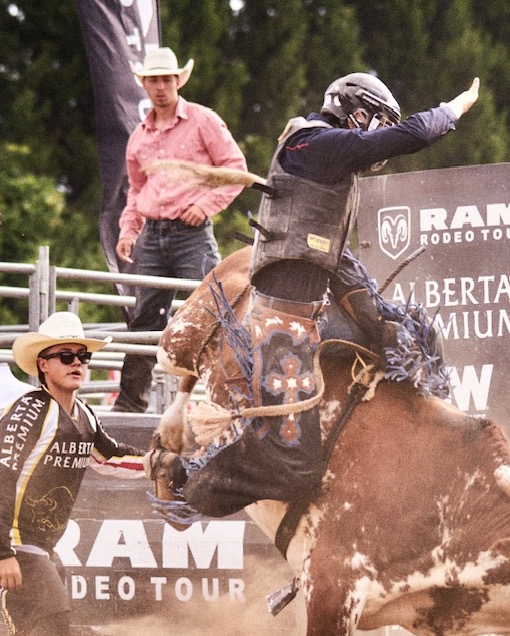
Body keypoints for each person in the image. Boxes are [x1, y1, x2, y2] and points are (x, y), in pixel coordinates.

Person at [155, 72, 481, 518]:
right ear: (357, 112)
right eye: (379, 122)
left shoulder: (321, 156)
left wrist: (378, 321)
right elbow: (408, 137)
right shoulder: (315, 143)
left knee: (412, 335)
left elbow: (332, 257)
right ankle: (184, 476)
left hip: (312, 304)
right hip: (280, 320)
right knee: (295, 467)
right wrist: (454, 108)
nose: (380, 134)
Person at [0, 312, 146, 636]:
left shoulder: (83, 414)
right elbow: (0, 477)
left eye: (82, 356)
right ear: (42, 366)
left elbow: (112, 458)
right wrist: (1, 551)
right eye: (65, 355)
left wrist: (167, 464)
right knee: (54, 616)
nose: (77, 363)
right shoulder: (28, 410)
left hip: (35, 543)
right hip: (6, 536)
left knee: (41, 628)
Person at [113, 46, 248, 413]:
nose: (160, 87)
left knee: (215, 311)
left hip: (192, 234)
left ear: (178, 82)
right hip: (152, 235)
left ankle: (227, 400)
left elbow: (235, 169)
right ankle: (129, 405)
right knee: (144, 318)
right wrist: (129, 230)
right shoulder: (138, 138)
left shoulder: (203, 121)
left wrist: (204, 205)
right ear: (144, 84)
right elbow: (136, 190)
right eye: (154, 80)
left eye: (167, 79)